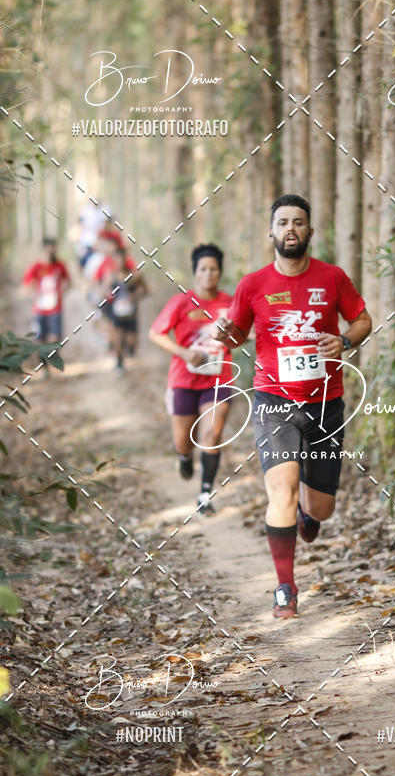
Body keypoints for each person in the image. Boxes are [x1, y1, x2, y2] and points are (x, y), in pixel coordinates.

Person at [213, 194, 372, 619]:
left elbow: (362, 319)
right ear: (271, 233)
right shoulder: (252, 285)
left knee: (321, 509)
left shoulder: (332, 278)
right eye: (282, 222)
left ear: (310, 231)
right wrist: (224, 333)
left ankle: (308, 514)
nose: (290, 229)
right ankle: (285, 588)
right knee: (279, 491)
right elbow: (235, 337)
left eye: (298, 222)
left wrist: (347, 340)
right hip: (273, 400)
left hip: (325, 401)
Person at [149, 244, 234, 511]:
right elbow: (156, 333)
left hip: (218, 379)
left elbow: (244, 333)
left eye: (214, 269)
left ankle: (205, 495)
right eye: (203, 269)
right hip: (183, 381)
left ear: (220, 272)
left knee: (211, 434)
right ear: (195, 272)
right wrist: (184, 353)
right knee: (183, 442)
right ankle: (184, 458)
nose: (209, 274)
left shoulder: (230, 303)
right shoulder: (181, 302)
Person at [102, 246, 148, 372]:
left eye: (122, 258)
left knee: (131, 341)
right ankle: (119, 363)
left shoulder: (134, 275)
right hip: (116, 311)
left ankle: (130, 351)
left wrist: (136, 295)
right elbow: (103, 291)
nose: (120, 261)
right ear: (114, 260)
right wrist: (109, 294)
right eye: (117, 259)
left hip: (131, 312)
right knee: (118, 337)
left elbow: (145, 289)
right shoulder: (111, 276)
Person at [22, 238, 71, 345]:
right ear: (43, 250)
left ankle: (53, 358)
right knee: (40, 337)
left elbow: (68, 282)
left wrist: (62, 291)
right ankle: (42, 360)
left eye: (53, 250)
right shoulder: (36, 267)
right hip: (40, 309)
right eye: (48, 251)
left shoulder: (60, 265)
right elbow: (26, 285)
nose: (51, 253)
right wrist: (33, 293)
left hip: (55, 308)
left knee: (55, 337)